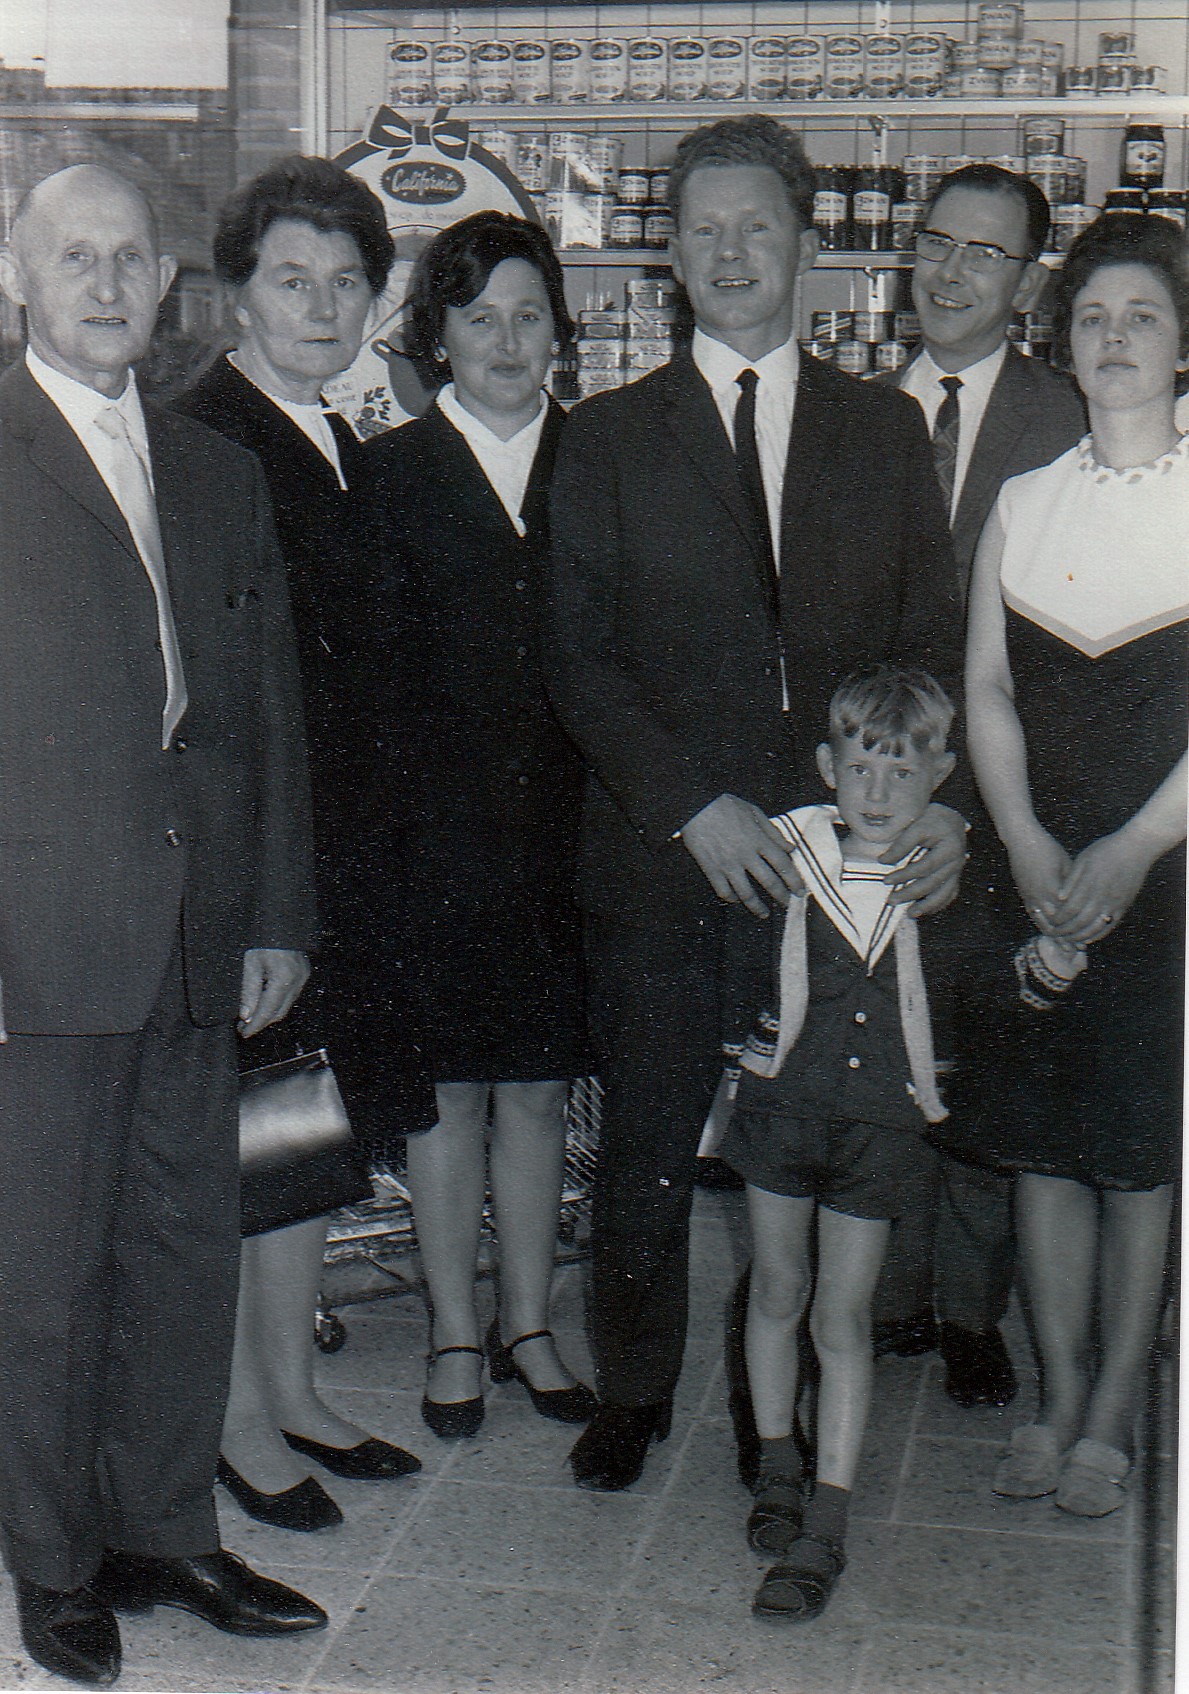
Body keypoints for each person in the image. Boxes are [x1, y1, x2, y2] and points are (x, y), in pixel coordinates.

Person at [545, 114, 967, 1495]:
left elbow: (925, 640)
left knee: (803, 1145)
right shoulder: (606, 436)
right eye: (704, 229)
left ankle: (773, 1415)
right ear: (668, 252)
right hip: (666, 852)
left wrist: (929, 805)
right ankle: (632, 1390)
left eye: (758, 226)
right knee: (650, 1139)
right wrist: (693, 807)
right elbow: (577, 656)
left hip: (845, 865)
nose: (731, 253)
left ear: (806, 244)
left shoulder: (881, 427)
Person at [0, 163, 326, 1687]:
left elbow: (264, 715)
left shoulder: (214, 471)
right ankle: (55, 1561)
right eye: (75, 256)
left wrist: (278, 914)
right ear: (18, 277)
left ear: (167, 282)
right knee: (48, 1277)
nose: (108, 283)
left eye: (131, 257)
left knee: (186, 1249)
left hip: (199, 932)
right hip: (39, 943)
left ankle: (163, 1528)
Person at [175, 155, 426, 1532]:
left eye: (346, 282)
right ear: (236, 295)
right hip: (255, 862)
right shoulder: (201, 441)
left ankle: (291, 1388)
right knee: (245, 1144)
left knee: (303, 1134)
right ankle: (228, 1417)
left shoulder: (342, 439)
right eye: (291, 280)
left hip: (341, 858)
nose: (322, 307)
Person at [965, 212, 1186, 1517]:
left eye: (1142, 316)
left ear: (1182, 342)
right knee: (1044, 1147)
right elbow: (988, 688)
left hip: (1166, 867)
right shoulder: (1023, 499)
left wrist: (1140, 844)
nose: (1113, 338)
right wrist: (1025, 841)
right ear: (1061, 335)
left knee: (1138, 1153)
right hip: (1040, 864)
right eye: (1092, 316)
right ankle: (1053, 1394)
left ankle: (1112, 1410)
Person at [368, 211, 596, 1439]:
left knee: (541, 1093)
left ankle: (528, 1322)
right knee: (449, 1095)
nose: (507, 341)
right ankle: (455, 1327)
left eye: (527, 315)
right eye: (478, 317)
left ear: (559, 330)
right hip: (435, 849)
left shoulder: (597, 462)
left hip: (568, 841)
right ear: (436, 337)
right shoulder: (388, 473)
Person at [873, 164, 1087, 1409]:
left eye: (985, 254)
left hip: (1014, 795)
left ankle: (969, 1309)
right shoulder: (852, 412)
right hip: (879, 791)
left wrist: (980, 792)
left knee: (989, 1057)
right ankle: (892, 1290)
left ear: (1028, 282)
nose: (950, 273)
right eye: (936, 242)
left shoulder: (1065, 416)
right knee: (884, 1040)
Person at [719, 667, 963, 1620]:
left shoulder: (939, 876)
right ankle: (777, 1466)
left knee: (842, 1318)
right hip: (782, 1111)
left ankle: (826, 1517)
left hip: (877, 1127)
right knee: (776, 1290)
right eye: (860, 767)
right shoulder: (792, 853)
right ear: (827, 766)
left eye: (901, 772)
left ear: (939, 775)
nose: (877, 791)